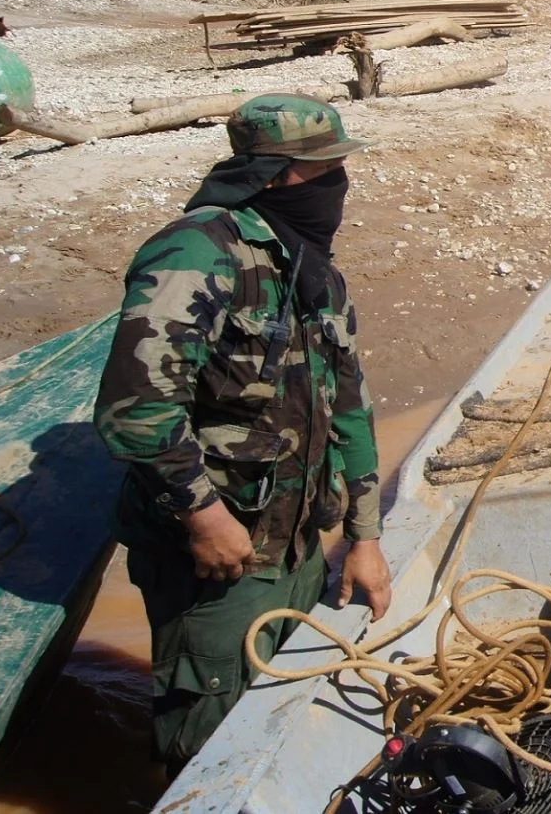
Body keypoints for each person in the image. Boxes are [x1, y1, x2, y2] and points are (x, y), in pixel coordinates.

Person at [95, 94, 392, 770]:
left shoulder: (314, 270)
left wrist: (365, 537)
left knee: (285, 718)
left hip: (298, 549)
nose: (338, 183)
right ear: (274, 174)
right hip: (216, 561)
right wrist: (204, 519)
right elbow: (135, 410)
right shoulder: (199, 250)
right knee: (210, 744)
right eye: (323, 169)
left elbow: (350, 407)